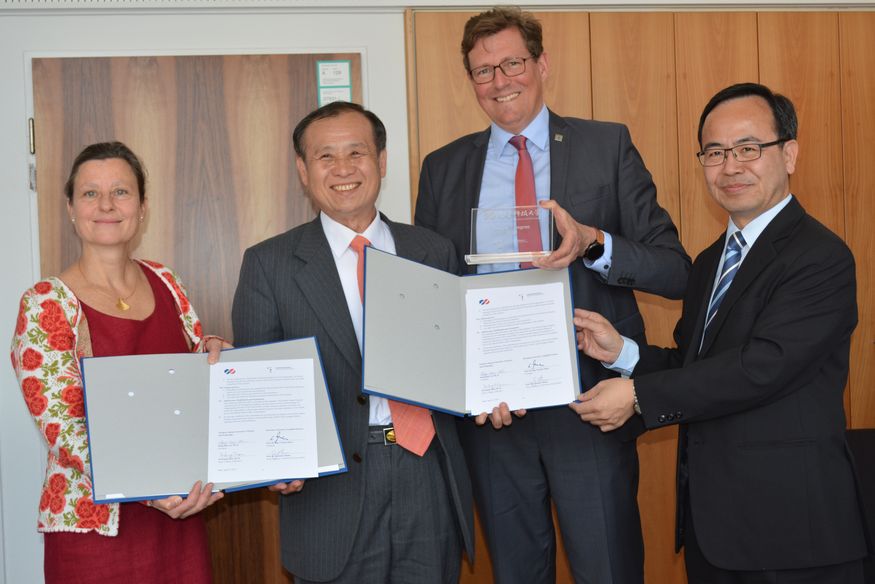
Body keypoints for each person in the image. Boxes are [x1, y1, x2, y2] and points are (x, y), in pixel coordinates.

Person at [414, 6, 690, 583]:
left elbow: (675, 270)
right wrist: (455, 383)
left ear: (542, 64)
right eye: (482, 71)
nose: (499, 81)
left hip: (588, 404)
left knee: (607, 569)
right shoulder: (443, 169)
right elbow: (431, 298)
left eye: (512, 62)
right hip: (493, 415)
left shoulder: (605, 147)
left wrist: (594, 242)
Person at [572, 82, 870, 583]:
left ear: (789, 154)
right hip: (715, 531)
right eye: (714, 152)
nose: (730, 166)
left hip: (794, 535)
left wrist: (638, 394)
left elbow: (760, 368)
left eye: (749, 148)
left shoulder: (821, 256)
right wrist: (623, 353)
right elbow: (698, 367)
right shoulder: (711, 261)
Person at [231, 101, 473, 584]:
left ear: (381, 161)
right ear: (303, 170)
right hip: (329, 488)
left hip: (425, 474)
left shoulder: (433, 251)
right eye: (325, 157)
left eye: (356, 152)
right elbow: (259, 389)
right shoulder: (270, 264)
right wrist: (269, 458)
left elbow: (463, 360)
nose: (343, 169)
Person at [10, 141, 227, 583]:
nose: (106, 205)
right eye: (90, 193)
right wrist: (152, 489)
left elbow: (188, 380)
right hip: (95, 528)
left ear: (143, 207)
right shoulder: (46, 302)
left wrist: (214, 355)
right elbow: (64, 427)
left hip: (178, 513)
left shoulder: (167, 280)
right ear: (70, 208)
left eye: (121, 192)